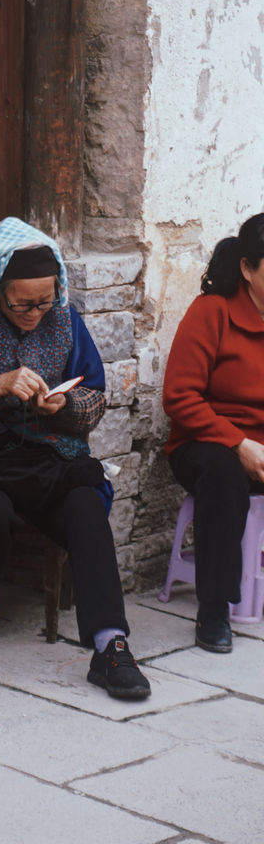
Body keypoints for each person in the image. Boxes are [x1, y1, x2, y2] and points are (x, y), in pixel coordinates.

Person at [0, 216, 150, 700]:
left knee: (84, 501)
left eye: (44, 300)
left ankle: (110, 645)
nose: (35, 312)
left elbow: (95, 398)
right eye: (22, 302)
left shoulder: (66, 319)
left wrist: (66, 407)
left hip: (46, 454)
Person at [163, 212, 264, 654]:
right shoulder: (212, 312)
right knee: (224, 473)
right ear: (248, 268)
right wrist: (239, 443)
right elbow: (179, 397)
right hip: (203, 443)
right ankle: (215, 607)